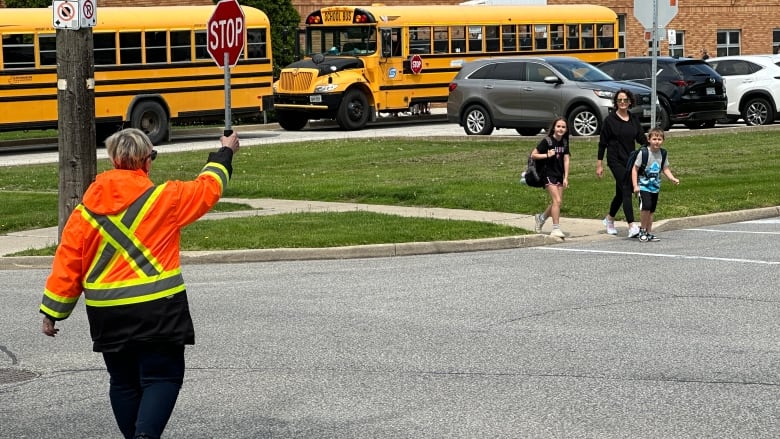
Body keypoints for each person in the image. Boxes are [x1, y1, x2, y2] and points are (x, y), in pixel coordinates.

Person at [39, 128, 240, 439]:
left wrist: (53, 311)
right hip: (159, 310)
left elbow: (68, 263)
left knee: (123, 382)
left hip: (107, 314)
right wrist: (225, 152)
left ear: (113, 160)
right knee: (162, 378)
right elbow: (208, 188)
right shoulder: (166, 199)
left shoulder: (84, 214)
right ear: (147, 161)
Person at [596, 89, 647, 238]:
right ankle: (631, 225)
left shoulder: (633, 119)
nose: (622, 103)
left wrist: (651, 147)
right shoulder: (610, 120)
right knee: (626, 187)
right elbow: (602, 143)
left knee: (620, 193)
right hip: (614, 159)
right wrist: (599, 164)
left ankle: (609, 219)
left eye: (625, 100)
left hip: (629, 159)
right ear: (616, 103)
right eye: (619, 100)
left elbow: (641, 138)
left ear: (630, 101)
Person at [631, 127, 680, 242]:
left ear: (663, 140)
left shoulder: (663, 153)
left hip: (655, 187)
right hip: (643, 186)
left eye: (659, 139)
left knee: (651, 210)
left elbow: (665, 168)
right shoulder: (643, 153)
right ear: (649, 139)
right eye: (654, 139)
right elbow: (635, 169)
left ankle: (648, 232)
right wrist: (635, 185)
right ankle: (642, 230)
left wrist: (672, 178)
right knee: (646, 207)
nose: (657, 141)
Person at [532, 117, 571, 238]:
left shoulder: (564, 141)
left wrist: (566, 177)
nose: (560, 129)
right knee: (557, 201)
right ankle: (555, 229)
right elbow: (533, 155)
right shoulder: (547, 141)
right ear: (554, 127)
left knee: (557, 203)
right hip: (548, 174)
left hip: (559, 174)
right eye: (558, 126)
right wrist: (546, 155)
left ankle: (541, 218)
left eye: (563, 127)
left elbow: (566, 159)